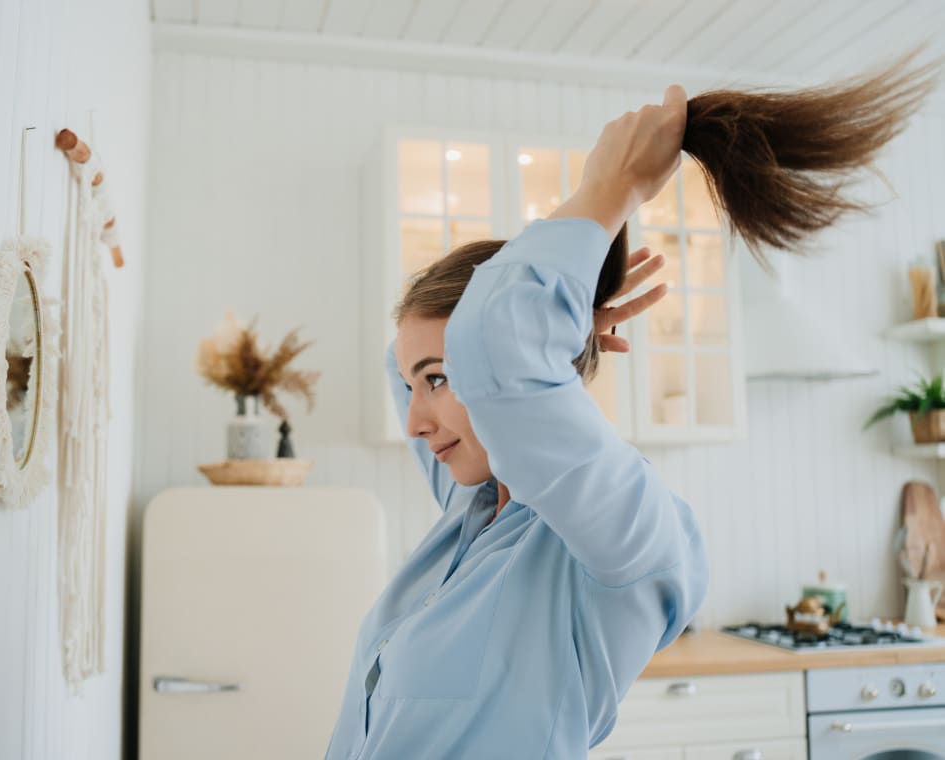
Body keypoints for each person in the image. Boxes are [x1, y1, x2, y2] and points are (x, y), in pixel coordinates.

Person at [326, 52, 937, 759]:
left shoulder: (625, 531)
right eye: (417, 383)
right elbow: (453, 354)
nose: (414, 417)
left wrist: (609, 190)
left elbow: (495, 345)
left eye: (437, 379)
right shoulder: (472, 510)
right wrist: (565, 316)